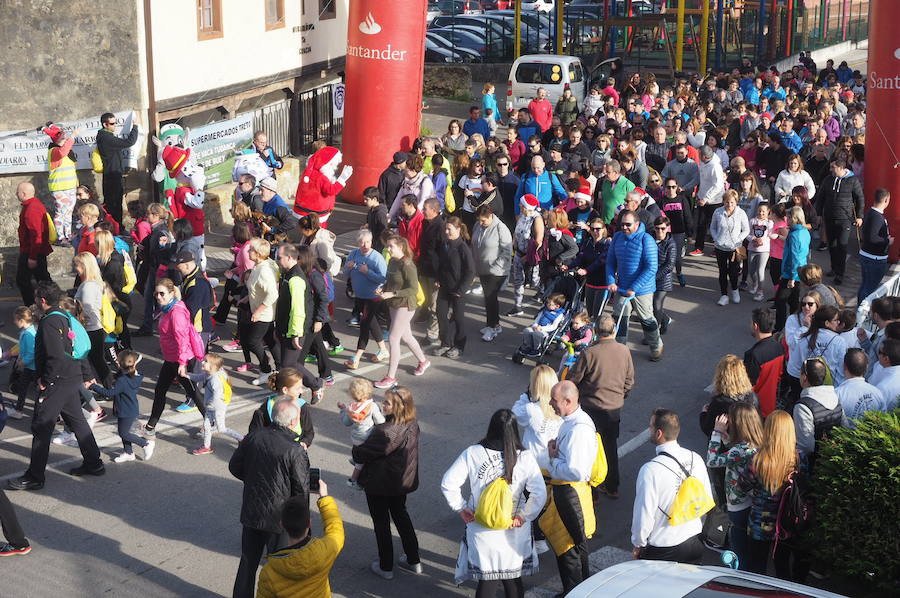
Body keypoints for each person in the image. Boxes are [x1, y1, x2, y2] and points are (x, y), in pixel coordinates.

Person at [8, 282, 104, 491]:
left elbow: (55, 355)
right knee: (77, 421)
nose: (34, 301)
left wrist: (46, 381)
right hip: (71, 377)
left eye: (35, 298)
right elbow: (77, 348)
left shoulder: (49, 322)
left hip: (58, 380)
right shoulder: (65, 315)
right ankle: (94, 463)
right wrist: (85, 374)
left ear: (42, 301)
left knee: (41, 426)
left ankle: (35, 476)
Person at [440, 409, 546, 596]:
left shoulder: (473, 453)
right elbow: (539, 493)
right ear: (514, 431)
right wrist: (523, 516)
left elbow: (448, 483)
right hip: (513, 529)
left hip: (481, 527)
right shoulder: (524, 457)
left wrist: (461, 507)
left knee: (487, 581)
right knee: (513, 581)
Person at [229, 398, 310, 598]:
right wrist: (303, 523)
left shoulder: (253, 437)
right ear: (293, 422)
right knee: (281, 565)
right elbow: (301, 489)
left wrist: (252, 480)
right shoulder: (295, 449)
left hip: (252, 510)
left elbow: (234, 466)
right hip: (280, 517)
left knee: (248, 562)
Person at [352, 386, 422, 580]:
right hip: (402, 482)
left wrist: (357, 445)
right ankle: (413, 559)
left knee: (381, 523)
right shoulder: (413, 423)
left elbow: (361, 453)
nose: (381, 405)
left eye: (386, 402)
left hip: (380, 484)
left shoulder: (386, 431)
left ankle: (385, 566)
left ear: (398, 406)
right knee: (401, 516)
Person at [567, 313, 633, 500]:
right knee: (610, 447)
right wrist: (620, 396)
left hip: (590, 409)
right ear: (614, 330)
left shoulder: (589, 353)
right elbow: (629, 381)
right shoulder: (624, 350)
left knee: (589, 450)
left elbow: (573, 380)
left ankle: (592, 492)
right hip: (613, 409)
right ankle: (612, 486)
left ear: (596, 332)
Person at [631, 408, 711, 564]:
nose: (649, 430)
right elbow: (706, 497)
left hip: (664, 547)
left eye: (651, 427)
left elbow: (644, 513)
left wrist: (638, 543)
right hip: (694, 540)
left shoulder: (650, 469)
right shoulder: (696, 458)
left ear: (659, 433)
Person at [540, 381, 598, 594]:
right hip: (566, 493)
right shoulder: (571, 422)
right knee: (567, 550)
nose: (550, 403)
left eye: (554, 400)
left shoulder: (578, 430)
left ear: (568, 401)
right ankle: (572, 590)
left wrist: (553, 459)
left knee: (570, 550)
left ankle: (575, 591)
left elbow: (577, 471)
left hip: (571, 494)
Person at [738, 410, 805, 577]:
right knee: (782, 566)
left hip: (761, 521)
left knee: (756, 566)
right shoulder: (798, 458)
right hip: (786, 521)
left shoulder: (758, 460)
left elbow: (742, 486)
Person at [255, 480, 343, 598]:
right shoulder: (324, 551)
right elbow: (336, 529)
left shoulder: (269, 572)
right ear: (309, 523)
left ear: (282, 524)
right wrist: (324, 497)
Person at [705, 402, 764, 570]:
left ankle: (742, 580)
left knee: (740, 552)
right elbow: (734, 452)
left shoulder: (740, 450)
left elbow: (712, 460)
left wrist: (716, 433)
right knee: (751, 550)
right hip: (752, 503)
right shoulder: (757, 442)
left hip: (738, 506)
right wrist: (725, 437)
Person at [143, 278, 204, 436]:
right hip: (171, 359)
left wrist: (182, 364)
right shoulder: (167, 309)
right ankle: (151, 426)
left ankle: (211, 422)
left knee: (193, 394)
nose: (158, 297)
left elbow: (182, 340)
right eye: (156, 294)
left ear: (171, 293)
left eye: (162, 293)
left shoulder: (176, 312)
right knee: (160, 390)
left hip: (181, 359)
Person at [374, 236, 430, 389]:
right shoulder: (392, 261)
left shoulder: (408, 264)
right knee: (406, 336)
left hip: (405, 304)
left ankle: (390, 377)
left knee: (393, 338)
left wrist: (392, 294)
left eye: (391, 246)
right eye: (388, 246)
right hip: (394, 303)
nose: (388, 249)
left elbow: (413, 289)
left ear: (401, 247)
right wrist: (384, 288)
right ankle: (423, 361)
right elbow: (390, 280)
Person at [606, 210, 663, 361]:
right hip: (622, 286)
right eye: (622, 224)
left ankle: (656, 346)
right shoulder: (617, 237)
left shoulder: (646, 240)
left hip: (642, 289)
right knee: (620, 319)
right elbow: (610, 262)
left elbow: (651, 267)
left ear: (637, 224)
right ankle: (621, 351)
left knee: (646, 319)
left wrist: (635, 288)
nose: (624, 227)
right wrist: (611, 281)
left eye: (628, 225)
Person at [274, 244, 325, 404]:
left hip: (294, 330)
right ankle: (296, 391)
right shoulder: (287, 274)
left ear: (289, 258)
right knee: (290, 364)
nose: (277, 261)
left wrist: (296, 332)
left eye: (279, 257)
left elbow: (298, 309)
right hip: (284, 327)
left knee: (288, 365)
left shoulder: (296, 278)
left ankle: (314, 385)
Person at [88, 350, 154, 463]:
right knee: (123, 431)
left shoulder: (123, 380)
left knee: (123, 433)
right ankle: (128, 452)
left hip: (126, 411)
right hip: (128, 409)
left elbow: (109, 393)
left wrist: (93, 386)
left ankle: (145, 444)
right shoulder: (134, 376)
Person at [343, 230, 389, 369]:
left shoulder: (376, 258)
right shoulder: (353, 254)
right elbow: (345, 273)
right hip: (360, 295)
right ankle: (384, 350)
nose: (365, 245)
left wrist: (367, 272)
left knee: (364, 325)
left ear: (371, 241)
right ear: (358, 243)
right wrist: (349, 268)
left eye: (368, 242)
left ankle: (355, 358)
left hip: (373, 296)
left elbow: (383, 278)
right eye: (362, 242)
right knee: (371, 323)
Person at [433, 217, 475, 359]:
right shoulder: (445, 244)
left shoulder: (463, 248)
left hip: (458, 290)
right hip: (445, 287)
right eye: (446, 229)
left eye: (449, 229)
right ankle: (445, 343)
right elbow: (442, 265)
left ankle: (459, 346)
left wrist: (461, 290)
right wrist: (438, 278)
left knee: (458, 318)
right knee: (441, 314)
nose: (446, 232)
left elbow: (470, 271)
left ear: (458, 230)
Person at [188, 354, 244, 455]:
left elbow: (217, 395)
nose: (202, 362)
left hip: (217, 407)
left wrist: (209, 405)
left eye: (205, 361)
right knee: (207, 426)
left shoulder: (215, 379)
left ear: (213, 366)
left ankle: (241, 438)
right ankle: (206, 447)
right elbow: (198, 377)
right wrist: (187, 375)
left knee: (221, 428)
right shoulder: (209, 374)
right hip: (211, 406)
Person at [819, 159, 864, 285]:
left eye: (832, 167)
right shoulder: (828, 180)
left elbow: (860, 198)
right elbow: (821, 196)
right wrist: (818, 214)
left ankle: (840, 273)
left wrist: (859, 216)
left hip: (845, 218)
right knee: (832, 245)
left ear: (840, 168)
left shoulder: (852, 181)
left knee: (842, 246)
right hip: (829, 217)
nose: (830, 170)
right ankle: (834, 268)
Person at [472, 205, 512, 343]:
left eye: (483, 221)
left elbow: (506, 252)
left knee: (490, 296)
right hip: (483, 268)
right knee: (488, 298)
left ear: (490, 216)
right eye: (479, 220)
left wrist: (496, 266)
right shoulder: (478, 226)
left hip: (497, 271)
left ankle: (492, 326)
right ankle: (496, 324)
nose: (481, 223)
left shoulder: (501, 228)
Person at [511, 365, 562, 472]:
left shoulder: (531, 409)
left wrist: (525, 397)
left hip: (534, 464)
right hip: (555, 463)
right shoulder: (561, 407)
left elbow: (514, 412)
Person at [794, 357, 843, 466]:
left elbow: (806, 446)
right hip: (836, 459)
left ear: (804, 378)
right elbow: (844, 427)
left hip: (815, 465)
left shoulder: (803, 406)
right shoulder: (835, 397)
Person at [71, 252, 111, 387]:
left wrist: (78, 323)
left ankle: (108, 388)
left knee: (96, 361)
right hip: (95, 328)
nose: (75, 268)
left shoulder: (88, 286)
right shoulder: (93, 283)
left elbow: (87, 309)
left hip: (91, 329)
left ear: (84, 266)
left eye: (76, 265)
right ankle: (107, 388)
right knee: (96, 360)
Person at [338, 379, 385, 489]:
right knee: (361, 464)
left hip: (356, 437)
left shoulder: (352, 408)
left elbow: (346, 422)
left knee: (357, 448)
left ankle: (356, 458)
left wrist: (343, 410)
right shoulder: (371, 406)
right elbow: (380, 421)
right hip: (367, 437)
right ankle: (352, 480)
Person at [95, 112, 139, 225]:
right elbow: (130, 141)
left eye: (116, 123)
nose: (115, 126)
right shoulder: (106, 138)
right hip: (112, 175)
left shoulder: (105, 136)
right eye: (112, 123)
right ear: (105, 124)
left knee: (112, 204)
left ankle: (113, 227)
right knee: (114, 204)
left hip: (111, 174)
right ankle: (115, 228)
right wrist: (135, 126)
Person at [710, 190, 751, 306]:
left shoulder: (741, 213)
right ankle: (724, 295)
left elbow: (746, 229)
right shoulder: (718, 212)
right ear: (723, 201)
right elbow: (712, 227)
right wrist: (716, 238)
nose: (729, 205)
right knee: (722, 271)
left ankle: (734, 289)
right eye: (727, 202)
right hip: (720, 246)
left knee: (733, 272)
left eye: (732, 202)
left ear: (736, 202)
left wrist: (739, 239)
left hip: (734, 248)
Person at [15, 182, 52, 305]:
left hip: (32, 251)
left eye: (18, 192)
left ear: (24, 193)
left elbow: (36, 235)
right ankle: (47, 303)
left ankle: (32, 306)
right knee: (42, 280)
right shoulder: (32, 206)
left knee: (24, 280)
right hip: (32, 250)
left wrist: (32, 257)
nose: (16, 194)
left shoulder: (32, 208)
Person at [42, 123, 79, 245]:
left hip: (70, 187)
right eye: (63, 138)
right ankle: (60, 236)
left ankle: (68, 235)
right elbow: (62, 153)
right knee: (60, 213)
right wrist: (73, 137)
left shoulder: (67, 152)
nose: (66, 140)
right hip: (59, 188)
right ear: (56, 140)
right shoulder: (54, 151)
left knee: (68, 212)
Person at [744, 308, 785, 416]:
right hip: (771, 404)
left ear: (756, 326)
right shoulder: (779, 347)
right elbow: (780, 374)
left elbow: (748, 385)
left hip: (756, 409)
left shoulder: (753, 354)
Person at [774, 207, 811, 331]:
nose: (786, 219)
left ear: (794, 218)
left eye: (788, 217)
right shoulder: (805, 232)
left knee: (780, 301)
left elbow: (795, 257)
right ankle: (795, 326)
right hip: (799, 272)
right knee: (794, 302)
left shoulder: (794, 235)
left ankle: (780, 327)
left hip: (791, 273)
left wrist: (791, 277)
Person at [508, 195, 544, 317]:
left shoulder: (537, 219)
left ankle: (543, 295)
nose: (519, 206)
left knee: (535, 281)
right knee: (518, 281)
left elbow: (538, 241)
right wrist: (513, 244)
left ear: (527, 207)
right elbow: (516, 231)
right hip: (518, 254)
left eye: (521, 205)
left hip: (530, 257)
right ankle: (517, 306)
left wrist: (528, 256)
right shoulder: (522, 216)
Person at [836, 348, 886, 427]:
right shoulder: (877, 393)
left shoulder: (837, 394)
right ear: (866, 367)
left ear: (844, 366)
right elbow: (884, 421)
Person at [857, 189, 892, 303]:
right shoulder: (877, 217)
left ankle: (860, 309)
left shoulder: (869, 213)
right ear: (886, 200)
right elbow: (872, 238)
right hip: (874, 259)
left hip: (867, 255)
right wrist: (887, 241)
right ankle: (862, 313)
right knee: (869, 288)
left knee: (865, 285)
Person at [571, 217, 609, 318]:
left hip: (603, 284)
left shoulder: (607, 244)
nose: (595, 231)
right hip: (590, 283)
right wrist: (568, 266)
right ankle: (589, 333)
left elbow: (600, 261)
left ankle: (596, 332)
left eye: (598, 229)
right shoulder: (587, 242)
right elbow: (581, 257)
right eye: (592, 229)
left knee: (597, 314)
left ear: (603, 229)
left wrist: (586, 270)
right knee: (590, 312)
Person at [659, 177, 693, 287]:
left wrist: (690, 234)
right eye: (668, 187)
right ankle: (664, 277)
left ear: (677, 187)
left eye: (673, 187)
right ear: (665, 188)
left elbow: (687, 216)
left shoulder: (682, 199)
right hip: (666, 233)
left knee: (677, 257)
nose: (671, 189)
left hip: (679, 232)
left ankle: (679, 273)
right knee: (665, 257)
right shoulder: (662, 201)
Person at [652, 216, 676, 334]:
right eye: (657, 228)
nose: (660, 231)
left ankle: (653, 334)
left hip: (663, 280)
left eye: (662, 228)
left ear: (667, 228)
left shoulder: (671, 244)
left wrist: (654, 277)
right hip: (649, 278)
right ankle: (665, 319)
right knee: (650, 306)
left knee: (656, 305)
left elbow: (669, 265)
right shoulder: (650, 239)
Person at [746, 203, 773, 301]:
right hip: (752, 249)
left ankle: (760, 291)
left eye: (763, 211)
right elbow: (747, 234)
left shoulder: (769, 223)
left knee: (760, 270)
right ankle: (755, 283)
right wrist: (753, 239)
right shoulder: (752, 221)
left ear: (768, 212)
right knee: (751, 271)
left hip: (764, 250)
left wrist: (761, 241)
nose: (761, 213)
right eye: (759, 210)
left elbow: (770, 236)